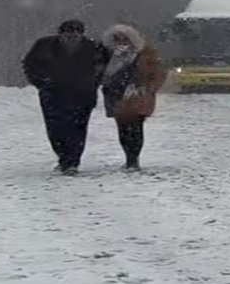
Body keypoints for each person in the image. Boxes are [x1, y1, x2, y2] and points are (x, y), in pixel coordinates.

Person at [22, 19, 110, 174]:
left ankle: (72, 162)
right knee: (56, 129)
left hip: (82, 95)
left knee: (77, 129)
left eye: (76, 32)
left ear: (82, 34)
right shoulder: (44, 46)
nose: (72, 35)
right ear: (60, 33)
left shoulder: (94, 47)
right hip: (53, 94)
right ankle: (63, 156)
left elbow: (104, 67)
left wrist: (92, 83)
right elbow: (30, 65)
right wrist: (42, 82)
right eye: (68, 32)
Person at [101, 24, 165, 171]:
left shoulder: (145, 53)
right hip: (115, 95)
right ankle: (129, 157)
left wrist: (149, 89)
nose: (122, 41)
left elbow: (158, 72)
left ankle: (133, 159)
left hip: (138, 94)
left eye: (125, 38)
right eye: (117, 38)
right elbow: (101, 73)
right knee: (122, 129)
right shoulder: (107, 54)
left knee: (135, 127)